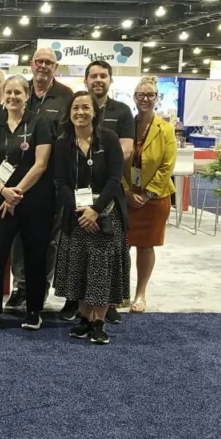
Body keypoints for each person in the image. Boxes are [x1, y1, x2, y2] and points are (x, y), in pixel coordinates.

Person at [0, 75, 55, 331]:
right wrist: (3, 190)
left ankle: (33, 311)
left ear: (27, 95)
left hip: (34, 201)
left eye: (17, 93)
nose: (12, 97)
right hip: (2, 200)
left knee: (34, 255)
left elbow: (41, 164)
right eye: (8, 92)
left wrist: (16, 192)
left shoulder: (39, 122)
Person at [53, 90, 129, 345]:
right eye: (75, 108)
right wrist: (79, 209)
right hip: (75, 216)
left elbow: (114, 178)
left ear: (95, 112)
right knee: (80, 269)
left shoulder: (109, 139)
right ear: (69, 112)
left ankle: (100, 321)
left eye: (86, 107)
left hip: (106, 214)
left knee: (102, 271)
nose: (80, 112)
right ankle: (84, 318)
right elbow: (60, 181)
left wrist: (95, 209)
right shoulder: (63, 143)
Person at [6, 47, 73, 314]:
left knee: (48, 238)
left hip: (50, 180)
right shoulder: (22, 91)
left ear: (55, 67)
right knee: (17, 236)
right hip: (18, 178)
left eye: (49, 62)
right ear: (31, 64)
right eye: (39, 62)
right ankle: (19, 287)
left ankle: (39, 287)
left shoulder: (65, 96)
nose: (43, 66)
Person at [80, 59, 135, 325]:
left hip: (110, 195)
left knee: (109, 253)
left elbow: (126, 151)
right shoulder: (76, 106)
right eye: (93, 76)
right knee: (79, 252)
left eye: (103, 76)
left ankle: (109, 304)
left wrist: (100, 159)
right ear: (86, 80)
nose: (98, 80)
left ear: (110, 80)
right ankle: (79, 307)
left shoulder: (122, 111)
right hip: (79, 196)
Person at [123, 77, 176, 313]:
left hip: (154, 199)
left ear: (157, 98)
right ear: (134, 98)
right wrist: (125, 191)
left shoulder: (166, 129)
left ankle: (140, 294)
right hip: (125, 197)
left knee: (145, 246)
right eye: (140, 95)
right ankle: (120, 293)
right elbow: (116, 160)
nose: (145, 99)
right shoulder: (125, 126)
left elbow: (167, 165)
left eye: (150, 95)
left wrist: (146, 194)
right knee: (120, 246)